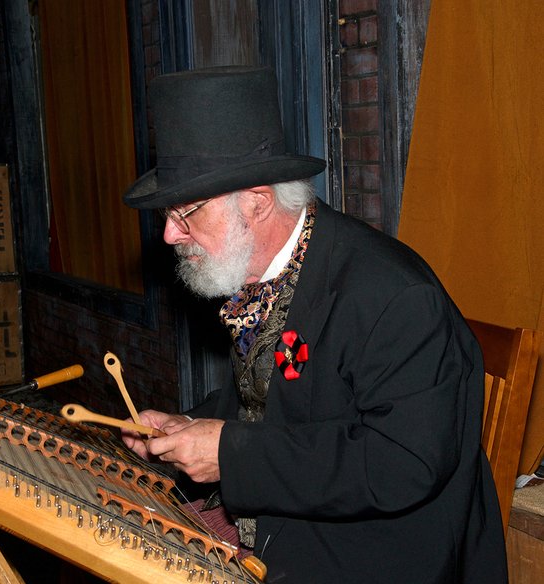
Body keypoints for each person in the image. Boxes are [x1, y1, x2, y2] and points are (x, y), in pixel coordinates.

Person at [121, 66, 507, 583]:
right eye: (169, 214)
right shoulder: (272, 269)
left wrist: (230, 455)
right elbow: (280, 402)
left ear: (257, 201)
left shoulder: (392, 295)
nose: (170, 234)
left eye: (187, 213)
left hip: (377, 558)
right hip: (299, 530)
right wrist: (188, 427)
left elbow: (403, 463)